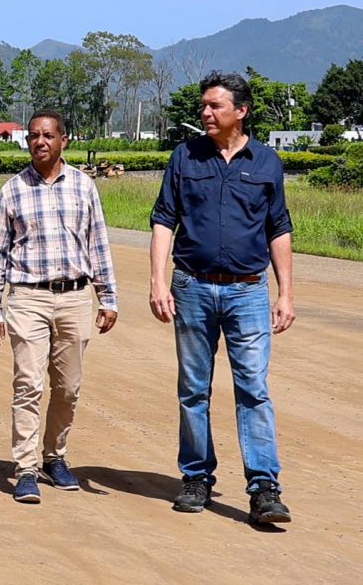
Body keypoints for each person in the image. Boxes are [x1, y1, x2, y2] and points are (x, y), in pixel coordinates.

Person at [149, 71, 294, 524]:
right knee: (193, 388)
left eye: (215, 106)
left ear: (241, 111)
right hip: (191, 285)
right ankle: (196, 477)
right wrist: (157, 281)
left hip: (248, 291)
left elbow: (279, 229)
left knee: (253, 389)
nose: (205, 113)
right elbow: (163, 220)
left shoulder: (267, 162)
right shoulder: (184, 157)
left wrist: (285, 292)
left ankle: (264, 488)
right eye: (204, 105)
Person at [0, 109, 118, 503]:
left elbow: (98, 243)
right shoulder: (12, 190)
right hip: (27, 297)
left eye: (48, 136)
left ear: (64, 140)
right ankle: (25, 467)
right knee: (28, 384)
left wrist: (107, 296)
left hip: (75, 297)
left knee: (68, 387)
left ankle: (55, 457)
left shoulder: (83, 187)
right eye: (33, 137)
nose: (40, 142)